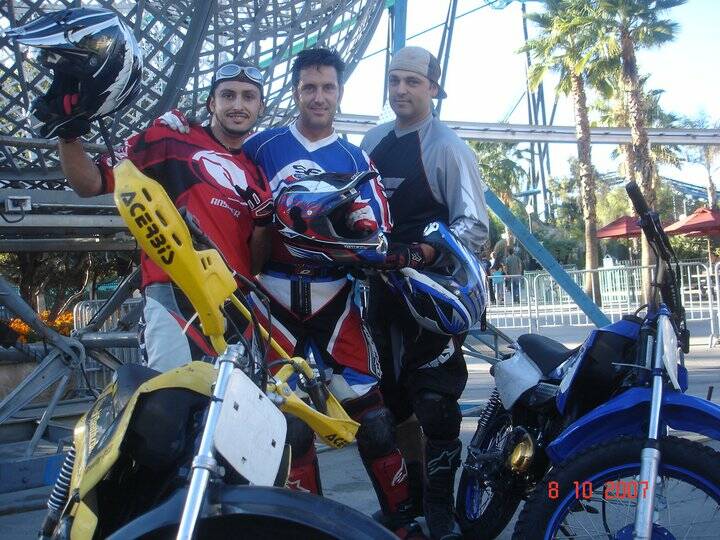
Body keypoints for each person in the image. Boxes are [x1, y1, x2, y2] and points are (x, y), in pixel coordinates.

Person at [239, 48, 422, 537]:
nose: (318, 98)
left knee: (374, 418)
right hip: (270, 299)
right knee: (291, 425)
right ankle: (309, 528)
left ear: (340, 92)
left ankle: (404, 522)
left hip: (337, 301)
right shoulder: (261, 147)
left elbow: (377, 234)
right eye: (308, 88)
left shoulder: (356, 159)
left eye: (327, 88)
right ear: (295, 92)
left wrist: (362, 237)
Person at [41, 13, 274, 372]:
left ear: (260, 107)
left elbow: (255, 264)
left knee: (230, 418)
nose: (237, 105)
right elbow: (90, 184)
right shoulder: (170, 138)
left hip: (236, 302)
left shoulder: (258, 174)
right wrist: (68, 133)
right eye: (227, 95)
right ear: (212, 103)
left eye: (248, 97)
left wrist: (263, 223)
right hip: (173, 294)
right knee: (170, 404)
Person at [361, 46, 489, 539]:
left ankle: (439, 510)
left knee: (435, 404)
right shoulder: (372, 142)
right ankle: (404, 502)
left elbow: (474, 227)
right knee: (388, 404)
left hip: (432, 297)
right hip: (378, 294)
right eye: (394, 81)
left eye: (412, 82)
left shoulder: (447, 147)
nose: (401, 90)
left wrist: (427, 254)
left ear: (433, 89)